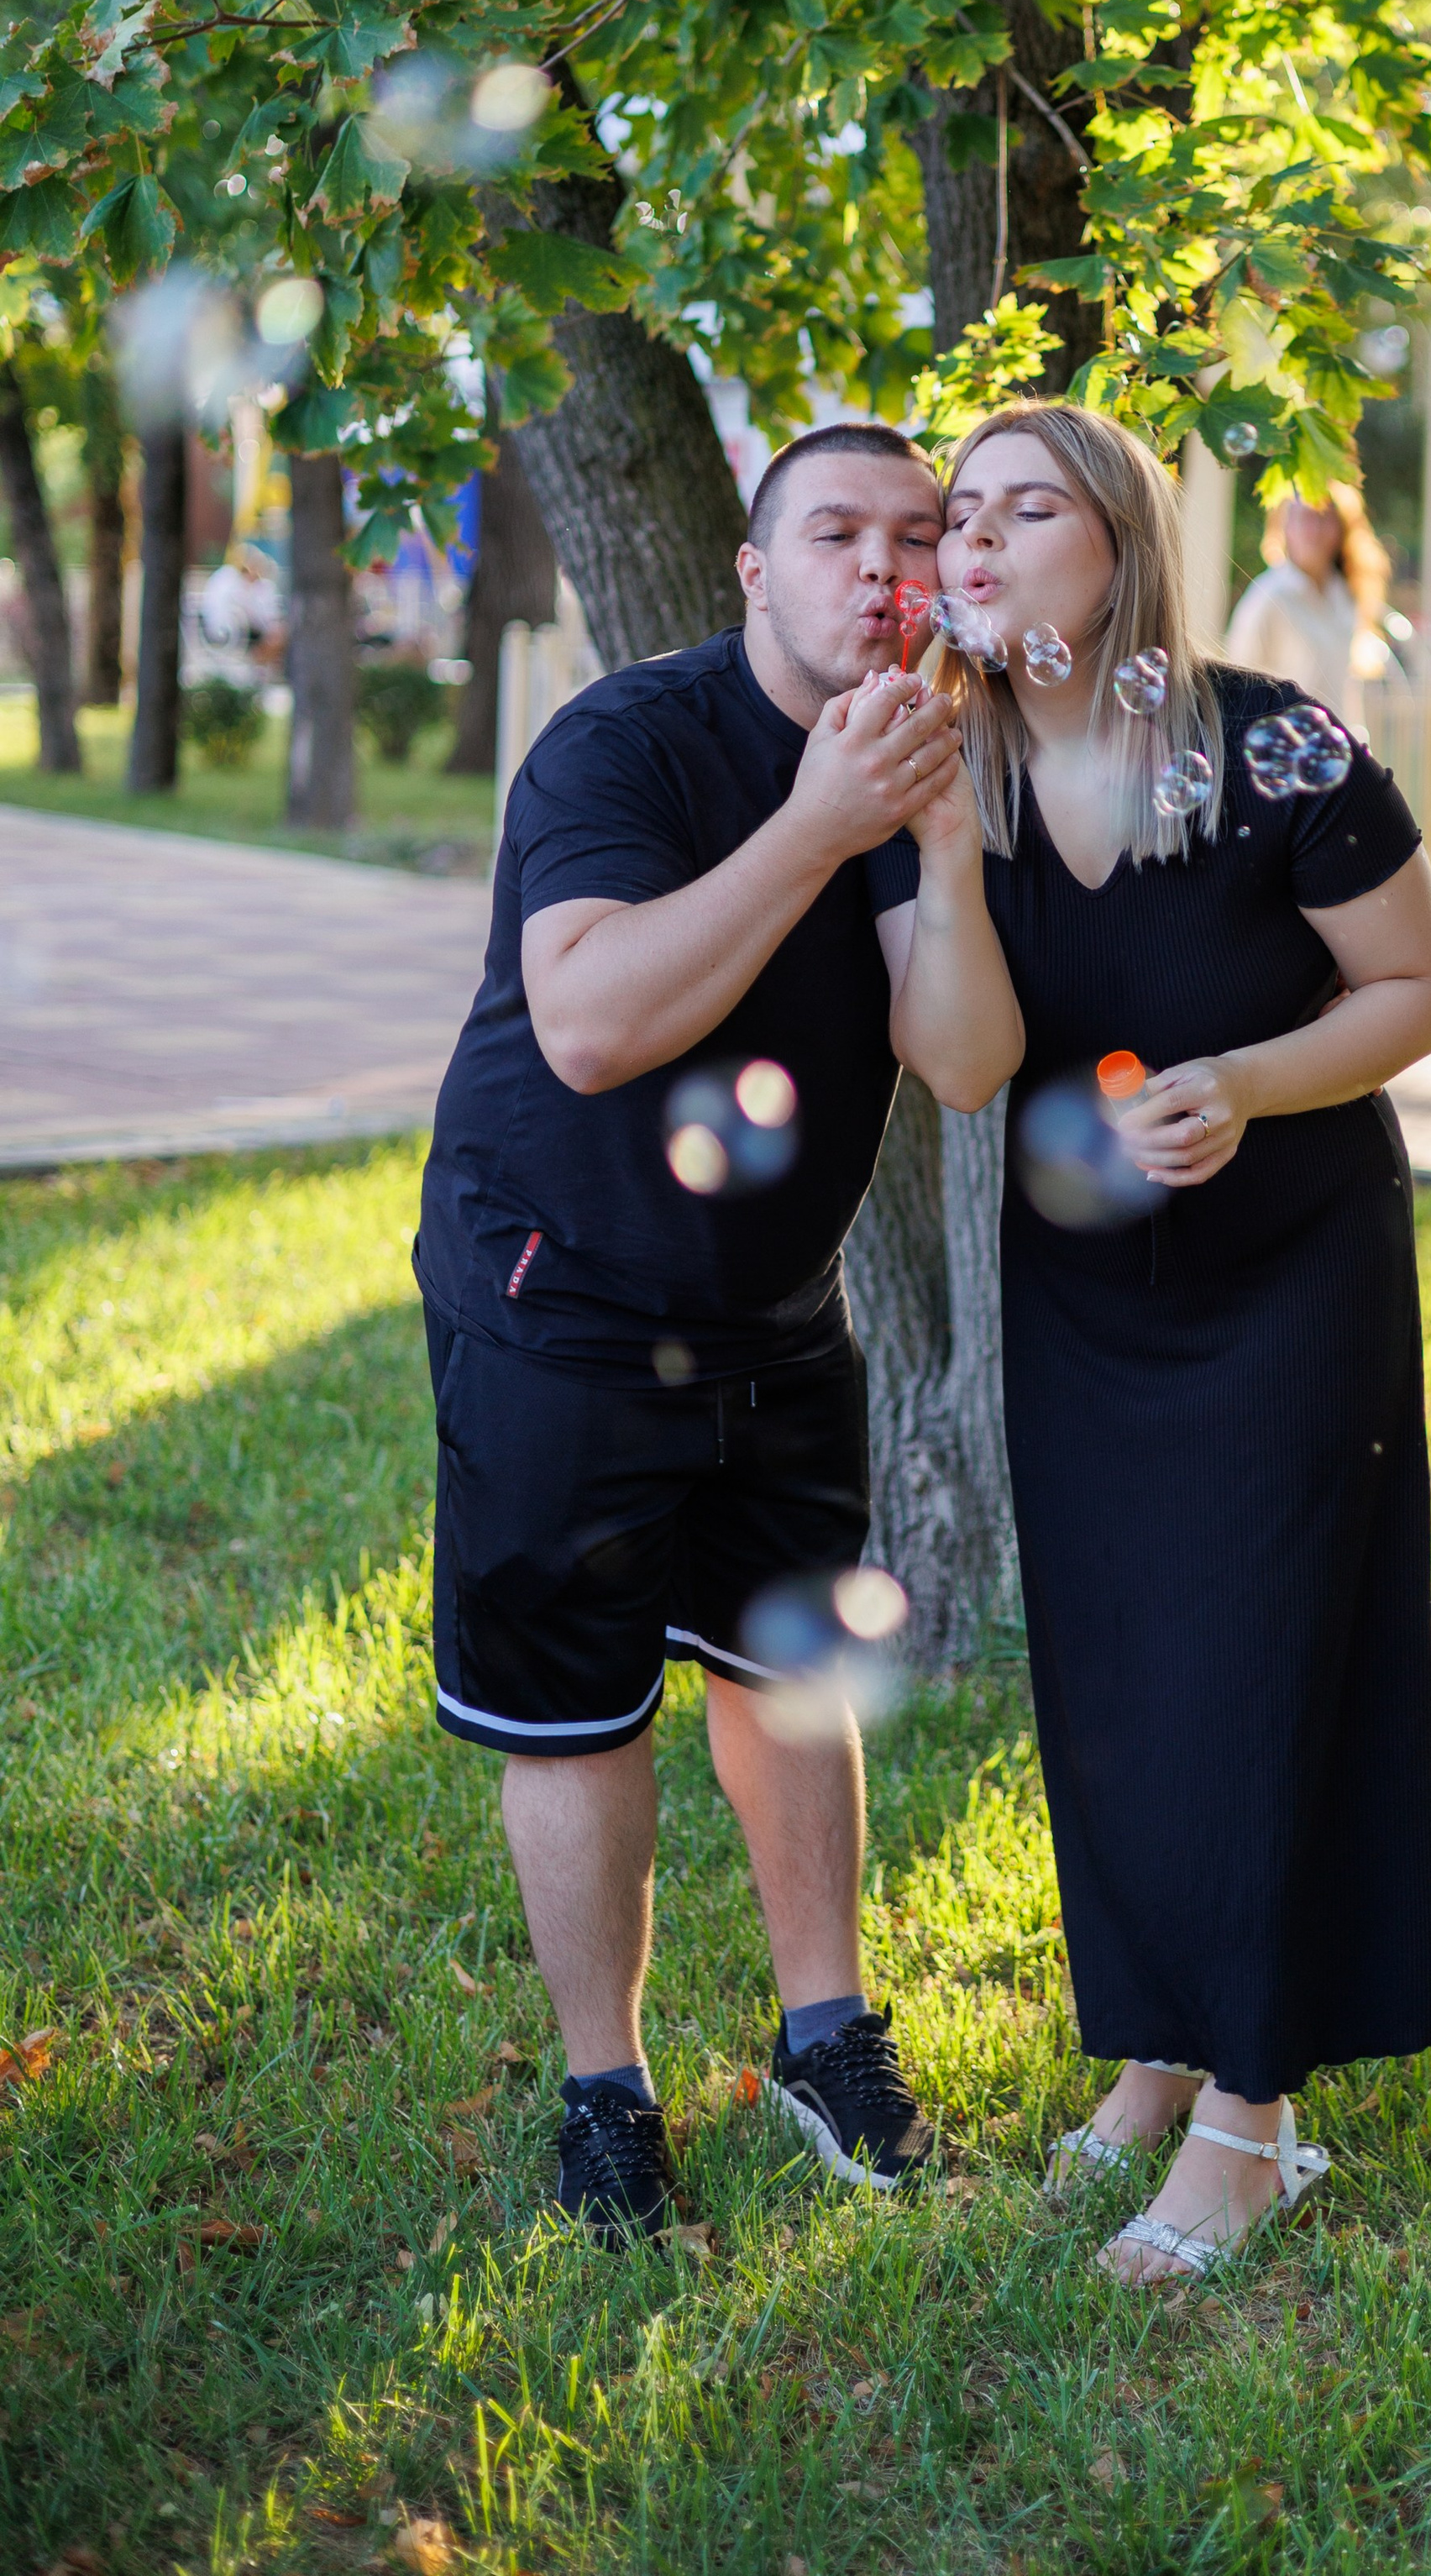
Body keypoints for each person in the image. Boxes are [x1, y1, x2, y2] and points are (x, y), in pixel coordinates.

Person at [871, 402, 1431, 2282]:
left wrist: (1247, 1084)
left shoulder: (1274, 740)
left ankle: (1247, 2119)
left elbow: (1415, 990)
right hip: (1085, 1296)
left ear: (1117, 543)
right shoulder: (930, 766)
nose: (972, 544)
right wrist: (947, 855)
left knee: (1259, 1664)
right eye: (954, 516)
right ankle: (1147, 2047)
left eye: (1022, 509)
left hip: (1292, 1276)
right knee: (1117, 1669)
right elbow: (965, 1070)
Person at [414, 422, 1014, 2243]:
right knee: (579, 1705)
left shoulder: (920, 752)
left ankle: (826, 2043)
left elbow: (968, 1064)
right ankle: (607, 2092)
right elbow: (590, 1023)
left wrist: (937, 846)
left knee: (782, 1672)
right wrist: (815, 825)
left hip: (773, 1303)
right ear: (753, 571)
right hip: (561, 1287)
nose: (881, 567)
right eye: (834, 532)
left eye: (916, 534)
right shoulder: (628, 742)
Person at [1223, 479, 1400, 733]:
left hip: (1335, 753)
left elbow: (1343, 687)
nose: (1315, 529)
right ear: (1285, 527)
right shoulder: (1268, 596)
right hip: (1285, 754)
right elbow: (1237, 686)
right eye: (1305, 517)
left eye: (1325, 518)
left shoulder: (1342, 594)